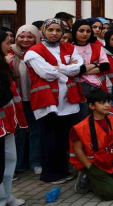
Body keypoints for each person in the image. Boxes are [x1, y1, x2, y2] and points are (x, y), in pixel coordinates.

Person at [24, 19, 88, 184]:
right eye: (50, 29)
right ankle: (49, 174)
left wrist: (59, 69)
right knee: (49, 138)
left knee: (62, 139)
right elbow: (46, 73)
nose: (54, 33)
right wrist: (67, 68)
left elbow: (80, 67)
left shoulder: (69, 47)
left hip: (68, 101)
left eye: (58, 30)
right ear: (43, 31)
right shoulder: (33, 51)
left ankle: (62, 171)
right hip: (48, 102)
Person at [69, 89, 113, 200]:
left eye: (108, 102)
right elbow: (78, 150)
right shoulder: (80, 128)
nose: (107, 105)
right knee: (110, 194)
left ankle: (106, 180)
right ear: (91, 106)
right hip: (94, 163)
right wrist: (90, 167)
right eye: (102, 103)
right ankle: (87, 177)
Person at [0, 29, 27, 206]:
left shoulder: (2, 62)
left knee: (9, 161)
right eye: (7, 43)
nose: (10, 47)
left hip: (7, 122)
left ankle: (6, 196)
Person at [9, 25, 41, 176]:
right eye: (22, 36)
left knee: (36, 131)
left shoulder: (39, 52)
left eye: (30, 37)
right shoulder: (9, 52)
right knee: (19, 133)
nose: (25, 40)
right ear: (16, 37)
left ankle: (35, 162)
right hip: (16, 100)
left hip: (36, 98)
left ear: (36, 38)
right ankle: (18, 164)